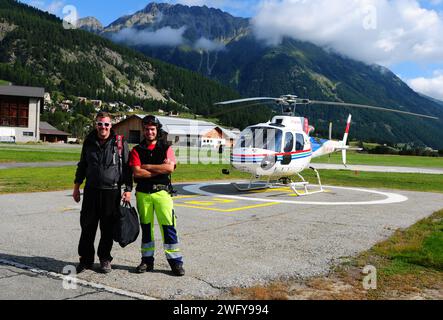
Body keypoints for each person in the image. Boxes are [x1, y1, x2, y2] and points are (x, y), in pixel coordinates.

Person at [73, 112, 132, 274]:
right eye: (100, 124)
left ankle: (105, 258)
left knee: (107, 228)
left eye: (106, 124)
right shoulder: (89, 141)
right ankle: (85, 260)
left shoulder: (119, 142)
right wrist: (76, 187)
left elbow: (127, 168)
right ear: (95, 125)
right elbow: (82, 165)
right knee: (87, 227)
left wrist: (127, 189)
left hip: (112, 192)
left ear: (111, 126)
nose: (103, 127)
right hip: (91, 191)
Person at [129, 115, 185, 276]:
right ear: (143, 130)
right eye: (146, 129)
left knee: (168, 228)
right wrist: (159, 168)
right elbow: (137, 173)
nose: (149, 132)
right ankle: (147, 261)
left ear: (157, 130)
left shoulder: (166, 148)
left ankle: (176, 263)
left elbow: (169, 169)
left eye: (152, 129)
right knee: (146, 229)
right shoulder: (136, 150)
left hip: (162, 193)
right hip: (143, 194)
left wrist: (147, 166)